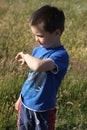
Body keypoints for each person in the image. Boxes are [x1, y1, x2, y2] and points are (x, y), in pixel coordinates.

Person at [15, 5, 69, 130]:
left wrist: (25, 55)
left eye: (40, 35)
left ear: (57, 32)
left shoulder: (60, 55)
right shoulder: (37, 50)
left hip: (43, 110)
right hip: (25, 105)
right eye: (34, 35)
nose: (36, 39)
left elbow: (38, 66)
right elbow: (31, 78)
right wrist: (20, 98)